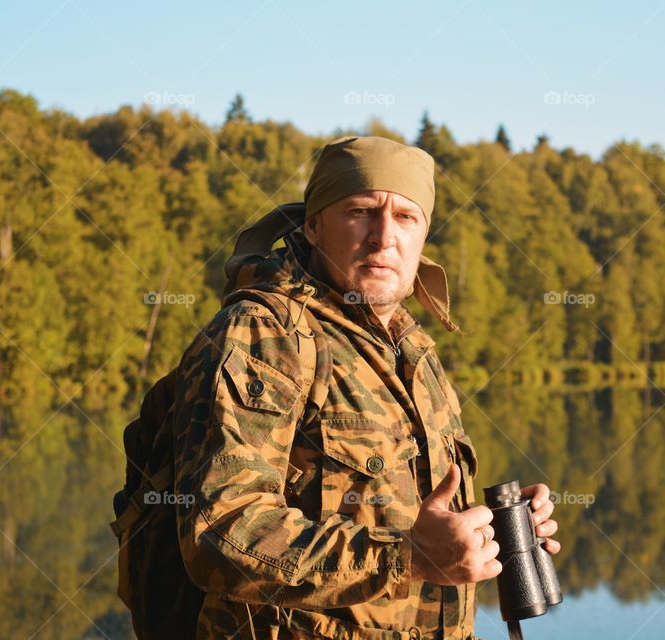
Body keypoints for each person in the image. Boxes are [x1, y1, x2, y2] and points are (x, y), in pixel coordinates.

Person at [173, 136, 560, 639]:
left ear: (423, 236)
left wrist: (486, 534)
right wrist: (406, 558)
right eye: (360, 211)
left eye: (406, 217)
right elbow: (221, 530)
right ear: (313, 226)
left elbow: (407, 515)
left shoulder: (413, 347)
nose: (383, 237)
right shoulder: (264, 336)